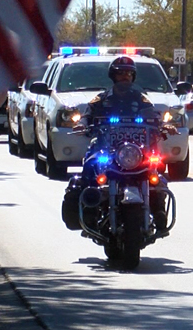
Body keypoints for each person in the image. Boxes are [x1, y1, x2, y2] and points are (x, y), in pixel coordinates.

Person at [63, 56, 176, 235]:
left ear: (133, 77)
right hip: (106, 148)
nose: (125, 77)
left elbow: (153, 115)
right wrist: (83, 124)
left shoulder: (141, 98)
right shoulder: (101, 98)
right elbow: (87, 114)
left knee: (156, 172)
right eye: (121, 73)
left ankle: (159, 211)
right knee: (90, 164)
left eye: (129, 74)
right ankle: (89, 211)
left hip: (135, 150)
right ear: (113, 76)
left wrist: (163, 125)